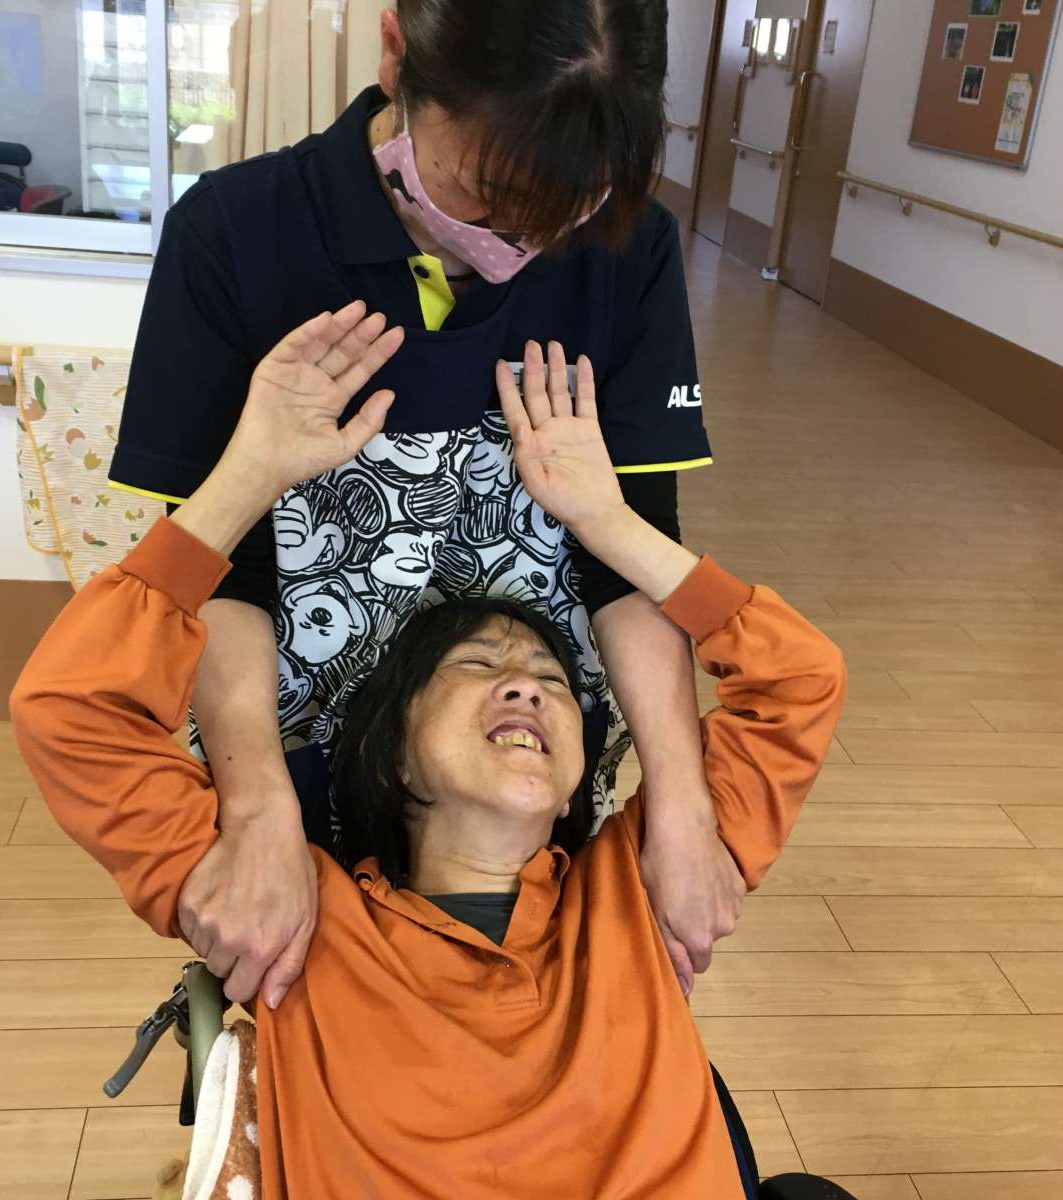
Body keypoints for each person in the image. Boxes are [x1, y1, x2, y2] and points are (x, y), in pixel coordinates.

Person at [12, 316, 850, 1199]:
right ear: (396, 758)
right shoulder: (287, 921)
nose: (528, 686)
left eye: (553, 681)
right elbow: (67, 709)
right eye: (479, 667)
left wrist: (612, 523)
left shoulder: (643, 889)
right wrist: (244, 481)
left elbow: (801, 680)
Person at [107, 0, 735, 1012]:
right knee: (322, 1020)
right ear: (397, 53)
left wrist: (681, 801)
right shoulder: (235, 232)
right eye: (489, 194)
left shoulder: (630, 247)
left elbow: (631, 556)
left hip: (521, 771)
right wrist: (259, 809)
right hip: (299, 756)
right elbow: (229, 568)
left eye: (567, 207)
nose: (523, 242)